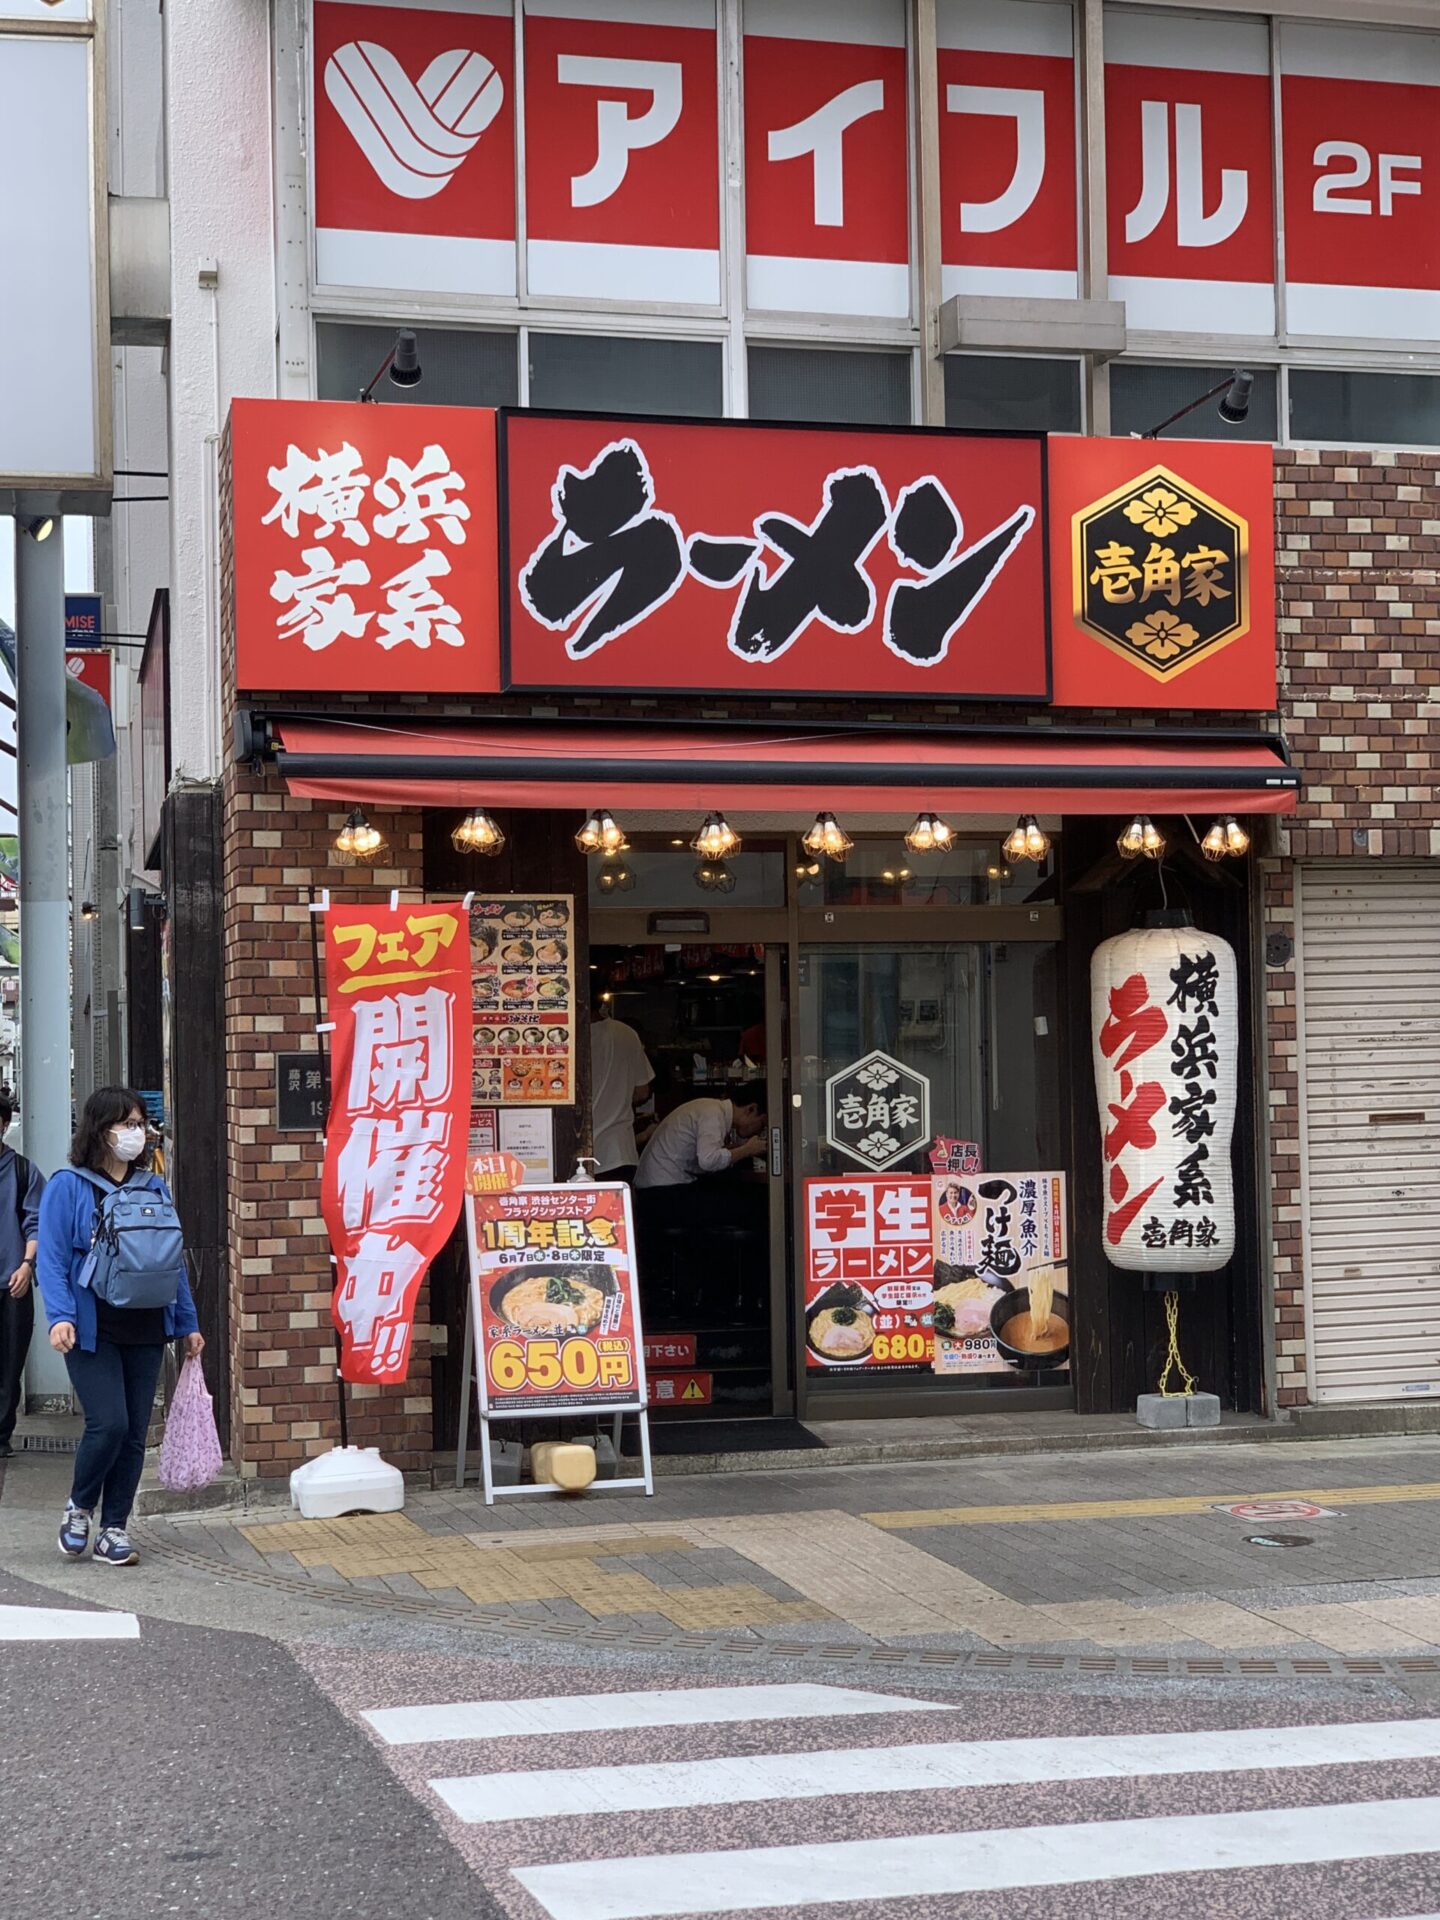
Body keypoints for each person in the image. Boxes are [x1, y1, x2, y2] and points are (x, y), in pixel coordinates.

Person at [36, 1086, 203, 1567]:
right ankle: (79, 1506)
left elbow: (169, 1262)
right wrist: (60, 1316)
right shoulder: (67, 1186)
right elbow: (51, 1259)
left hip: (147, 1324)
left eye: (140, 1124)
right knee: (108, 1423)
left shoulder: (153, 1186)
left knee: (133, 1435)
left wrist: (187, 1323)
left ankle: (114, 1528)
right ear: (100, 1129)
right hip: (91, 1327)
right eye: (127, 1124)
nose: (137, 1133)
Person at [0, 1091, 44, 1460]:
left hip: (12, 1284)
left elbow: (36, 1222)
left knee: (9, 1365)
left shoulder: (22, 1170)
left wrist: (27, 1265)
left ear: (3, 1125)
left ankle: (1, 1437)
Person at [635, 1082, 768, 1191]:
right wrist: (747, 1150)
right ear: (751, 1109)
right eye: (762, 1123)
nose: (759, 1130)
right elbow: (708, 1161)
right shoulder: (714, 1114)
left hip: (659, 1184)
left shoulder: (711, 1108)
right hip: (662, 1189)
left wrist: (736, 1149)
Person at [589, 995, 653, 1182]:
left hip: (568, 1153)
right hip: (617, 1152)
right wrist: (616, 1096)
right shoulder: (626, 1033)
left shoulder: (559, 1036)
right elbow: (642, 1091)